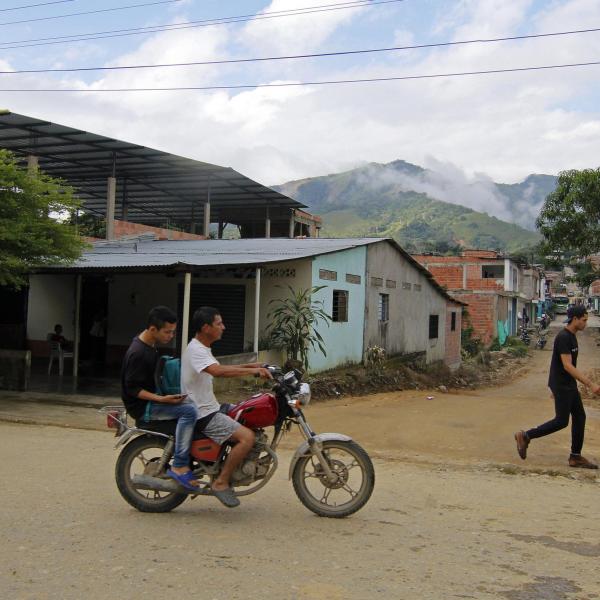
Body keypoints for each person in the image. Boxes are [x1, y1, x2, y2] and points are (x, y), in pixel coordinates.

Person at [181, 306, 272, 508]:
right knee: (247, 437)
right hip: (202, 413)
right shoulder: (196, 350)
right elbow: (218, 371)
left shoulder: (202, 348)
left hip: (210, 407)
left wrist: (255, 366)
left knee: (246, 414)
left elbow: (220, 367)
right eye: (219, 323)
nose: (224, 327)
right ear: (206, 328)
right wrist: (254, 372)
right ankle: (221, 482)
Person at [121, 306, 199, 491]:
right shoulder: (138, 352)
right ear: (153, 329)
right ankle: (180, 465)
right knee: (189, 411)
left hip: (153, 400)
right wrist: (162, 400)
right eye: (167, 332)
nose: (171, 335)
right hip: (144, 407)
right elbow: (133, 389)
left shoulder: (148, 345)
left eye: (173, 331)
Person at [515, 304, 600, 469]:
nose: (586, 323)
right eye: (584, 320)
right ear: (574, 319)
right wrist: (590, 384)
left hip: (568, 384)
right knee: (561, 421)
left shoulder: (572, 336)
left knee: (580, 416)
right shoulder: (563, 337)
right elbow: (567, 365)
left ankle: (575, 456)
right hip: (562, 385)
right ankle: (525, 435)